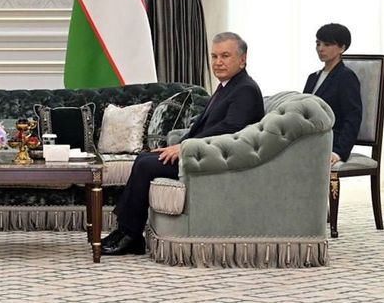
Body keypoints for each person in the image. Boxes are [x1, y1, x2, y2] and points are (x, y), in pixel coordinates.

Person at [101, 32, 265, 256]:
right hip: (200, 152)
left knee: (146, 165)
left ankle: (130, 234)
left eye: (225, 56)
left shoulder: (245, 89)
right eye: (214, 56)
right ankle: (127, 231)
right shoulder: (228, 86)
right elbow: (208, 127)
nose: (218, 62)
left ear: (242, 59)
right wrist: (178, 145)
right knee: (144, 158)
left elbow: (230, 129)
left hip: (212, 160)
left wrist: (183, 148)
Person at [302, 23, 362, 165]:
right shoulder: (312, 77)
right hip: (308, 141)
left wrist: (338, 151)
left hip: (330, 143)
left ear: (342, 48)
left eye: (327, 44)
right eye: (318, 44)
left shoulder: (346, 77)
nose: (320, 49)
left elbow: (353, 117)